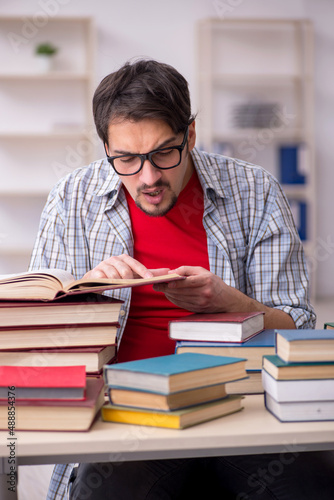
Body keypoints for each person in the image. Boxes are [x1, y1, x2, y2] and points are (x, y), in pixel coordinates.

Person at [29, 59, 333, 499]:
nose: (148, 178)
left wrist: (233, 302)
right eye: (127, 159)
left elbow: (299, 328)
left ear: (190, 134)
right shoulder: (71, 199)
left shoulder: (256, 191)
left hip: (242, 409)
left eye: (163, 153)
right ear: (106, 148)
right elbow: (36, 348)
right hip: (127, 414)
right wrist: (81, 293)